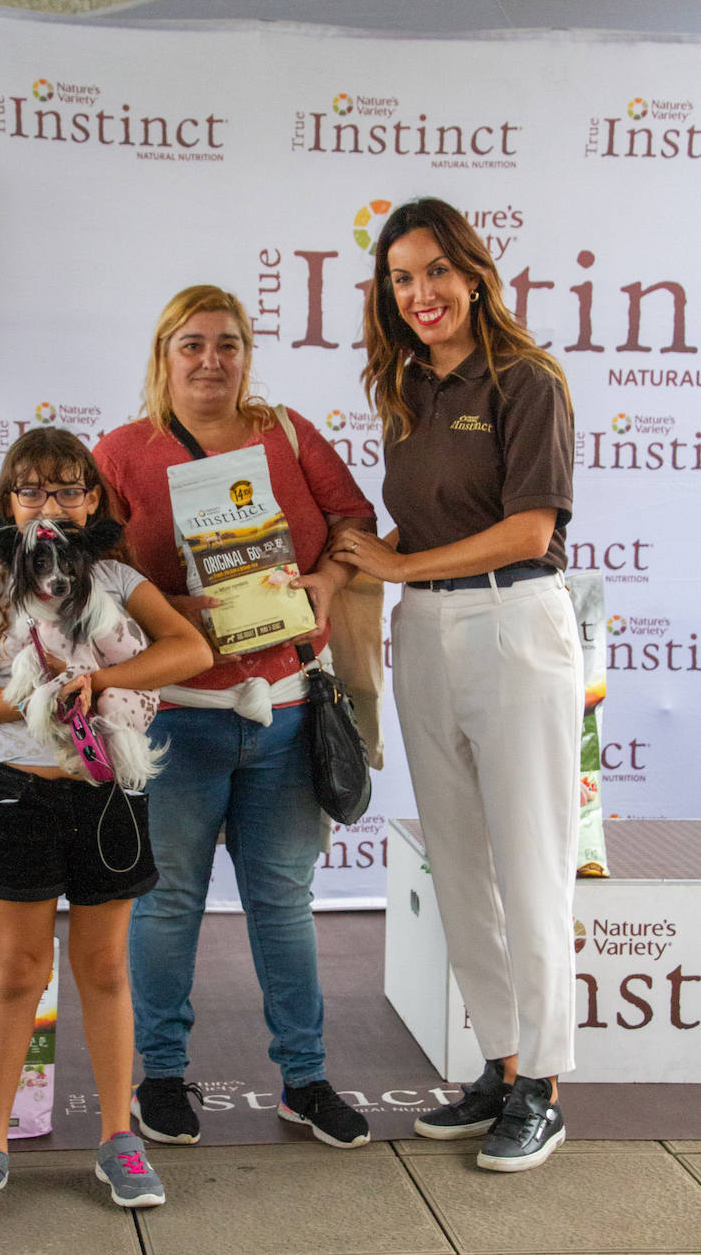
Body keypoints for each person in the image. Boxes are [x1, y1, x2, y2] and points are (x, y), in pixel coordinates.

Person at [329, 198, 583, 1173]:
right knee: (460, 866)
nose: (419, 293)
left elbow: (527, 532)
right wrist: (361, 560)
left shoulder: (526, 379)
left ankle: (545, 1088)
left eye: (435, 271)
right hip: (425, 634)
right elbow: (419, 530)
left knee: (529, 869)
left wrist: (399, 568)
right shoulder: (403, 390)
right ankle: (500, 1063)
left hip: (514, 624)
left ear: (473, 273)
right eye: (400, 279)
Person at [93, 284, 376, 1149]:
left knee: (283, 903)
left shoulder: (285, 433)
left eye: (227, 343)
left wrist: (324, 584)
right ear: (163, 355)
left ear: (248, 352)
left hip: (285, 711)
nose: (210, 360)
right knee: (168, 903)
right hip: (177, 715)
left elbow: (354, 523)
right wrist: (187, 610)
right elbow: (97, 583)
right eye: (192, 345)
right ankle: (163, 1078)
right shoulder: (122, 452)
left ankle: (305, 1078)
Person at [0, 428, 212, 1219]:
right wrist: (39, 699)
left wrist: (99, 681)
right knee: (21, 970)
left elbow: (188, 649)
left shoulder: (118, 576)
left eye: (65, 489)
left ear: (93, 500)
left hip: (109, 793)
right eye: (31, 490)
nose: (49, 505)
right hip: (21, 793)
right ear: (8, 504)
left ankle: (120, 1139)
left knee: (107, 969)